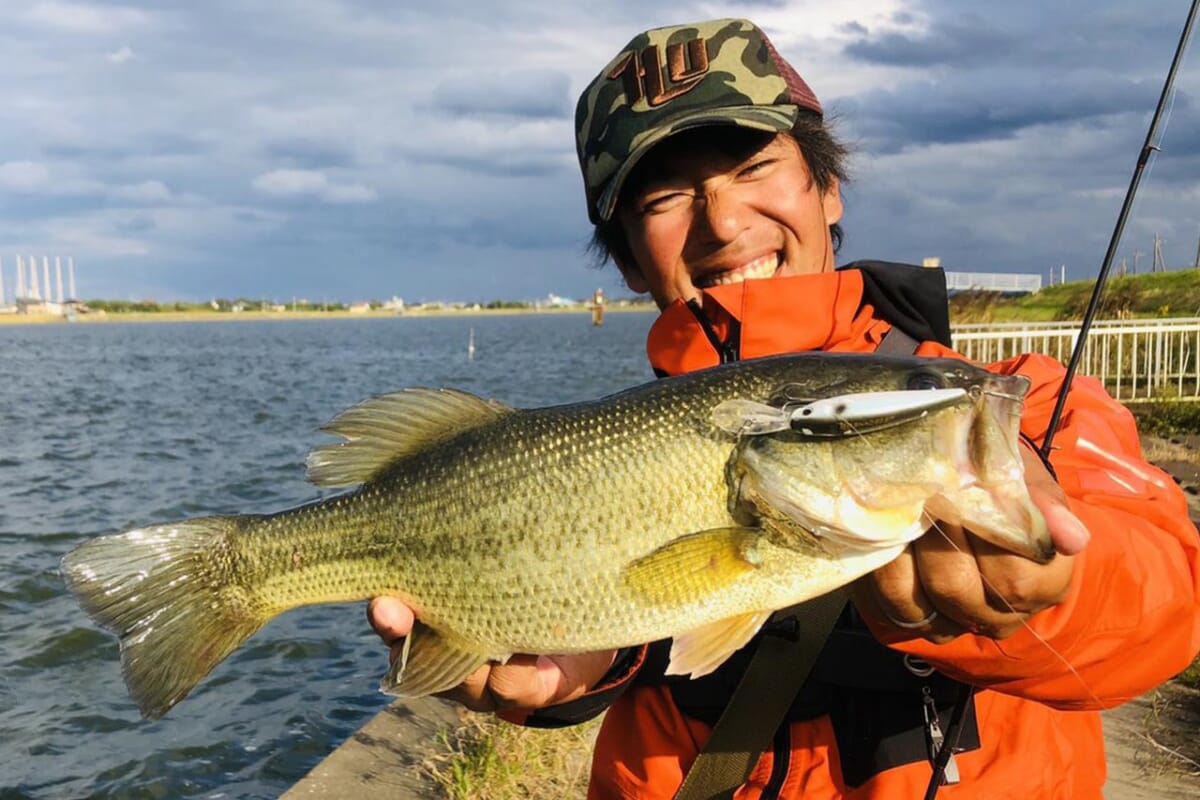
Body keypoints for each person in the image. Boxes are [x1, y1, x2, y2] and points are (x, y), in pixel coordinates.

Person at [369, 18, 1200, 798]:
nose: (724, 223)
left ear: (828, 188)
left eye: (755, 167)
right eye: (663, 200)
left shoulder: (1008, 398)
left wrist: (1062, 586)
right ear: (625, 259)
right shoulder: (606, 449)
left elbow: (1171, 606)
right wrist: (582, 671)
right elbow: (646, 614)